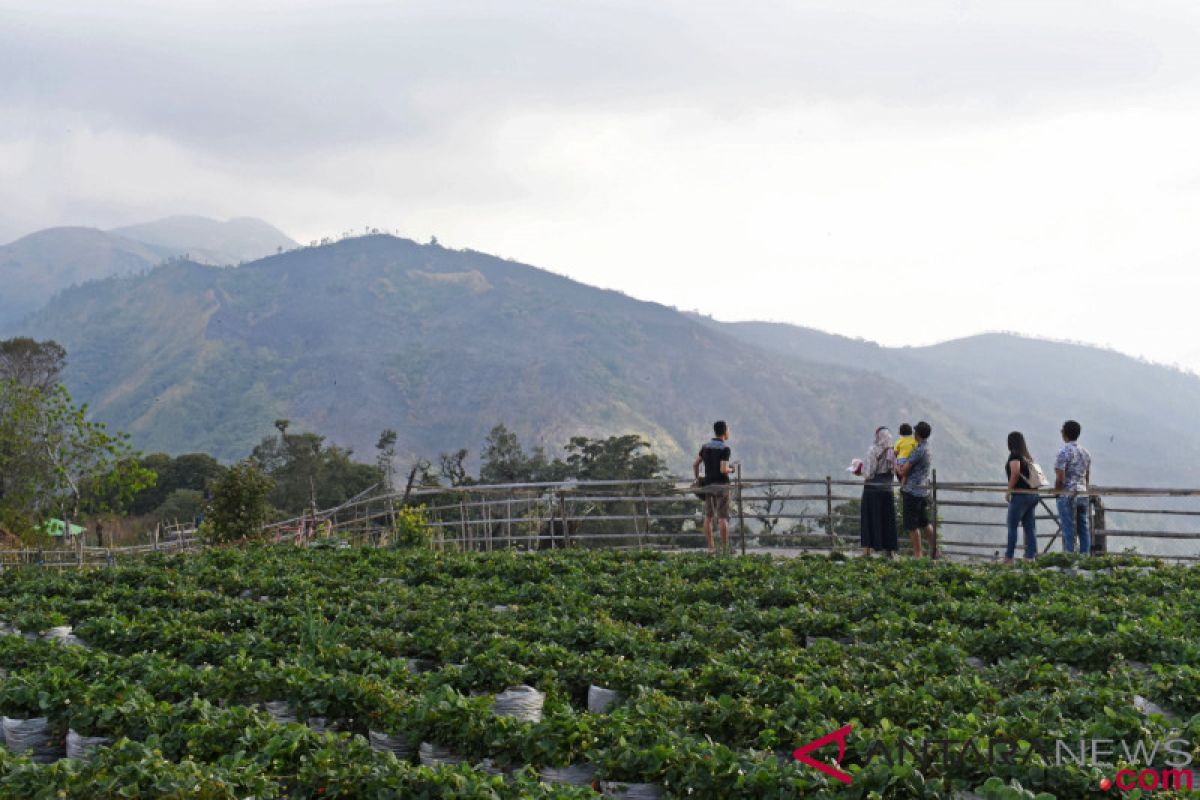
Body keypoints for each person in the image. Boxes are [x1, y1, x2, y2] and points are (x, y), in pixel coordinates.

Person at [693, 420, 734, 554]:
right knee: (722, 517)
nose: (729, 432)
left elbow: (695, 464)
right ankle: (724, 548)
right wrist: (731, 470)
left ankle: (711, 548)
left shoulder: (705, 447)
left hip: (708, 485)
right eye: (728, 429)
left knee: (708, 516)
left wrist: (697, 478)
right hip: (722, 485)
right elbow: (723, 469)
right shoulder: (725, 449)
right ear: (724, 432)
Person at [895, 420, 934, 558]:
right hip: (923, 490)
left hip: (912, 491)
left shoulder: (918, 450)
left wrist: (897, 468)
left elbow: (905, 471)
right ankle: (935, 551)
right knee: (924, 521)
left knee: (912, 525)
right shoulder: (927, 448)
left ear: (917, 433)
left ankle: (918, 554)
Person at [1054, 419, 1092, 555]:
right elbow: (1086, 477)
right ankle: (1085, 557)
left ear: (1065, 434)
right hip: (1082, 494)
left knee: (1068, 528)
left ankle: (1070, 557)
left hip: (1067, 495)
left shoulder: (1063, 452)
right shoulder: (1086, 453)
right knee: (1083, 527)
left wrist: (1057, 493)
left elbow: (1060, 478)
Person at [860, 426, 898, 557]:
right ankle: (890, 552)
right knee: (887, 519)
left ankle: (866, 552)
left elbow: (869, 473)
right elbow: (894, 470)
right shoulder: (892, 452)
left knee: (869, 518)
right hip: (887, 489)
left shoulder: (873, 450)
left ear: (878, 436)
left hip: (872, 489)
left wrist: (859, 470)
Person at [1004, 431, 1039, 562]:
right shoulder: (1027, 457)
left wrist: (1009, 491)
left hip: (1020, 495)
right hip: (1032, 495)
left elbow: (1015, 473)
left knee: (1012, 526)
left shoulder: (1014, 456)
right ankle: (1031, 556)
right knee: (1030, 527)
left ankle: (1009, 557)